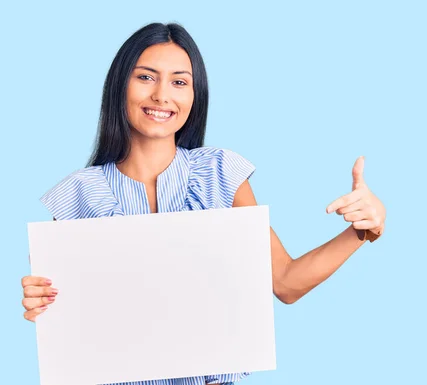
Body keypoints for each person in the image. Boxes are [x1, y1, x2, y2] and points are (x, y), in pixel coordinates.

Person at [20, 22, 386, 385]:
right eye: (146, 77)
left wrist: (359, 233)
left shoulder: (219, 173)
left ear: (196, 96)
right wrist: (46, 310)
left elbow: (286, 284)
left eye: (179, 82)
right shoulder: (79, 195)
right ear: (120, 86)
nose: (162, 96)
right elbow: (81, 331)